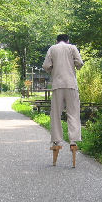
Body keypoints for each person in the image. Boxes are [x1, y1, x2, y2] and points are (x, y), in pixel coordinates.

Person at [42, 34, 84, 167]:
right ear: (68, 40)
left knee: (56, 114)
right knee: (73, 113)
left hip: (57, 85)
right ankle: (73, 141)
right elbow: (79, 64)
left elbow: (46, 66)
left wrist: (54, 70)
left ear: (57, 40)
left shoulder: (52, 49)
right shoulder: (72, 48)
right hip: (71, 84)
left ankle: (56, 141)